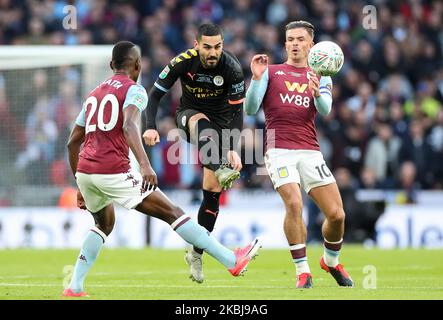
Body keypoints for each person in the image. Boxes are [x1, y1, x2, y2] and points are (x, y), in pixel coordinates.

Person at [62, 41, 261, 297]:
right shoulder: (134, 90)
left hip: (86, 172)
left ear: (112, 65)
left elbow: (72, 142)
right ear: (137, 65)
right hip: (112, 171)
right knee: (173, 213)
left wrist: (81, 183)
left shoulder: (93, 94)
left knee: (103, 224)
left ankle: (75, 287)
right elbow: (129, 126)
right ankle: (231, 261)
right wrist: (145, 165)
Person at [244, 21, 353, 288]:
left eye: (300, 39)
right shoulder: (271, 72)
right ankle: (302, 271)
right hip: (278, 149)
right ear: (285, 44)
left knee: (337, 215)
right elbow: (250, 108)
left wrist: (317, 94)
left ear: (311, 45)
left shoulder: (321, 74)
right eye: (290, 39)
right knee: (294, 203)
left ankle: (330, 260)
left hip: (310, 151)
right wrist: (256, 80)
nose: (294, 43)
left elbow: (325, 110)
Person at [143, 23, 245, 283]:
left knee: (211, 196)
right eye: (208, 47)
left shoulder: (232, 68)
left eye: (218, 47)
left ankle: (197, 253)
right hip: (189, 119)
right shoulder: (182, 62)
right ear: (196, 44)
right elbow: (154, 97)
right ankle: (221, 165)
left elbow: (237, 112)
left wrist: (232, 146)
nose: (213, 53)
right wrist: (151, 128)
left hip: (221, 127)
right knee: (202, 124)